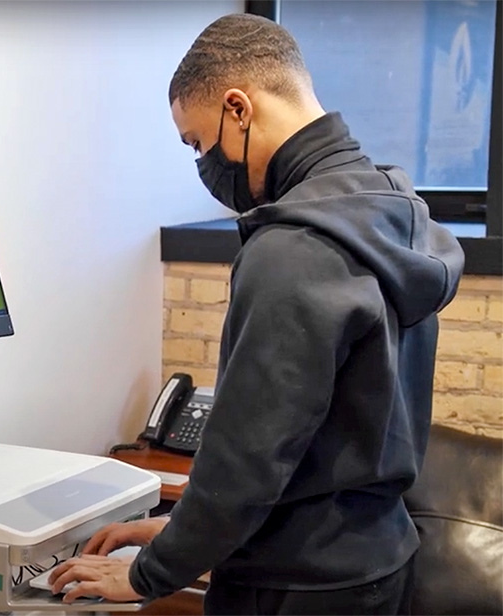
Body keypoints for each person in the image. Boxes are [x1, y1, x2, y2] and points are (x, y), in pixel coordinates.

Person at [48, 13, 464, 615]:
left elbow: (249, 459)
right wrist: (181, 528)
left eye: (197, 142)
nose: (203, 161)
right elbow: (327, 434)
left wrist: (145, 577)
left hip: (296, 585)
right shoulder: (391, 208)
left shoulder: (293, 249)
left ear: (238, 109)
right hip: (379, 564)